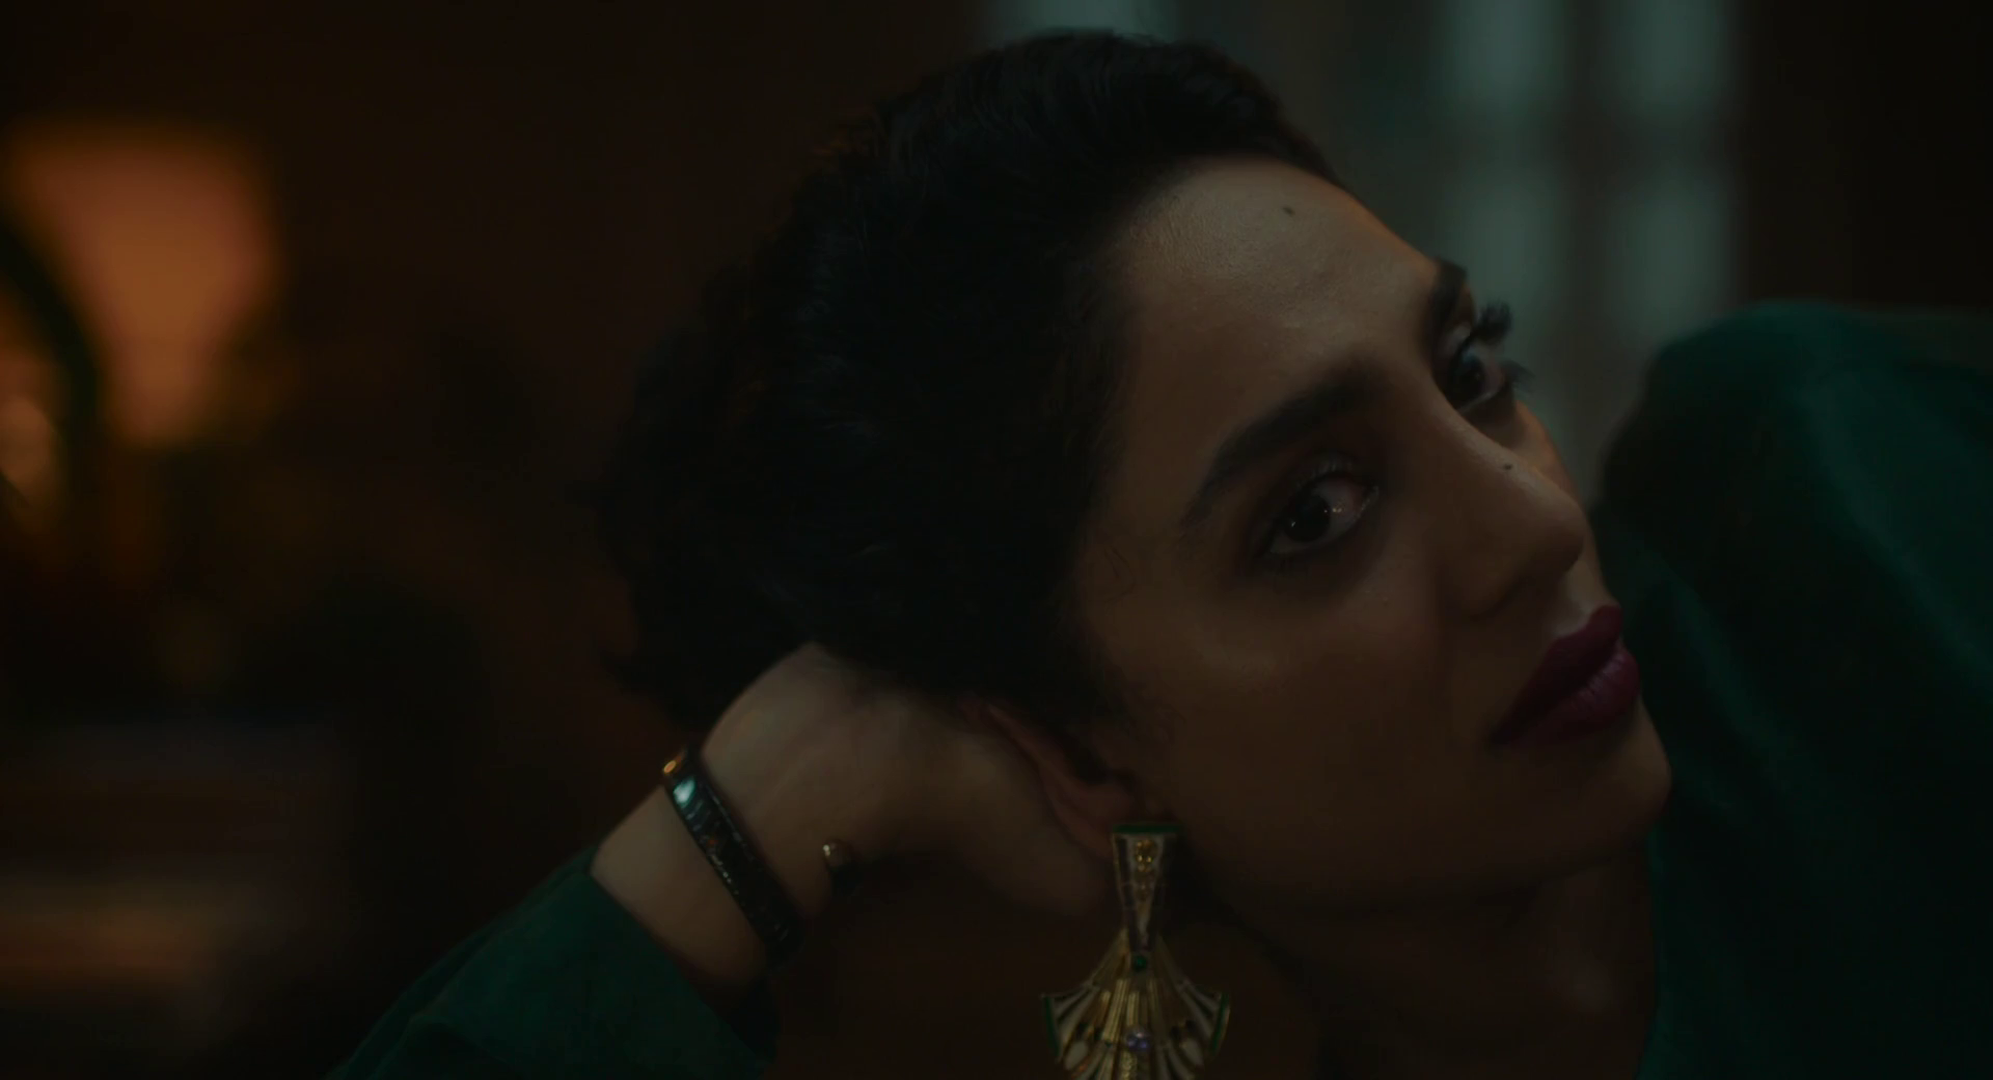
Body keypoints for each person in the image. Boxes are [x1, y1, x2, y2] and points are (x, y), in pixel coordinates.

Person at [334, 32, 1993, 1080]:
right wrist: (762, 803)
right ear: (1080, 755)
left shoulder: (1838, 503)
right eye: (1313, 515)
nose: (1538, 524)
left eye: (1471, 370)